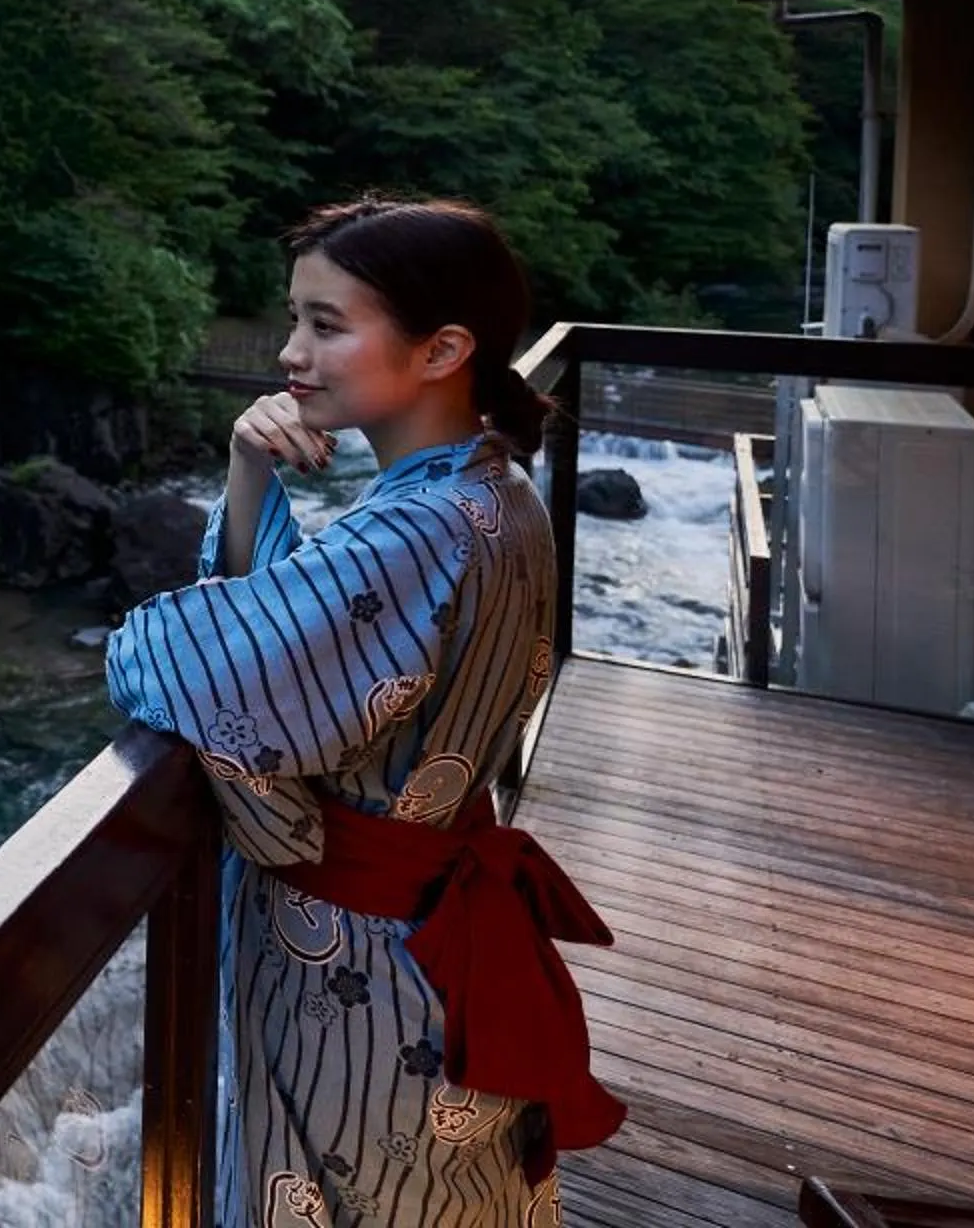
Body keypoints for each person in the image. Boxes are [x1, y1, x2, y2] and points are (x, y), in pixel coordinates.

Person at [105, 197, 625, 1228]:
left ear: (443, 348)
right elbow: (312, 640)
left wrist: (156, 629)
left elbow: (204, 666)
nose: (292, 352)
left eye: (327, 323)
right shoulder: (488, 488)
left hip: (355, 963)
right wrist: (248, 470)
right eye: (294, 318)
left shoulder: (419, 525)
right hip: (426, 933)